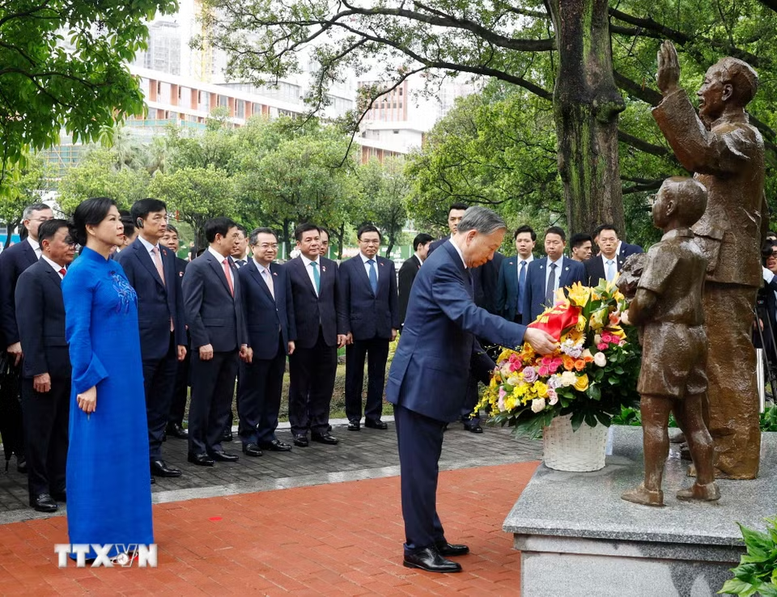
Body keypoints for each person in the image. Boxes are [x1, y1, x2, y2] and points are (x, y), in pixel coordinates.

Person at [386, 206, 556, 573]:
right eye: (492, 247)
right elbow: (469, 316)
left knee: (426, 468)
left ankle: (430, 534)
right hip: (419, 385)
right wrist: (523, 333)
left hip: (430, 384)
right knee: (419, 471)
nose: (492, 256)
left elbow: (461, 330)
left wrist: (493, 372)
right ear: (472, 235)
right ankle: (416, 547)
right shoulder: (445, 265)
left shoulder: (458, 264)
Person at [654, 41, 767, 479]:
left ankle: (736, 456)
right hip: (715, 262)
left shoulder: (740, 136)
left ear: (727, 93)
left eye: (705, 84)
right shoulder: (728, 134)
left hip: (728, 268)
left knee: (726, 360)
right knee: (706, 360)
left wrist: (671, 94)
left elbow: (700, 152)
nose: (700, 91)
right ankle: (713, 439)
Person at [62, 197, 153, 559]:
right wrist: (85, 381)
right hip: (98, 383)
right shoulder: (81, 272)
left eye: (121, 219)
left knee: (127, 456)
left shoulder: (115, 268)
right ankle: (94, 540)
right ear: (90, 227)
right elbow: (77, 333)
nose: (121, 225)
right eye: (113, 219)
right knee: (97, 459)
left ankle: (128, 535)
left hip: (127, 381)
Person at [620, 177, 719, 507]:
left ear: (671, 206)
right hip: (695, 337)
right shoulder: (697, 250)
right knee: (693, 416)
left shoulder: (664, 249)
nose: (656, 205)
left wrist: (628, 317)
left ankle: (651, 489)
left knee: (654, 416)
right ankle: (706, 483)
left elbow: (646, 300)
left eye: (659, 198)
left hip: (667, 338)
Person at [117, 199, 187, 481]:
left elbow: (177, 302)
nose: (163, 223)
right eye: (157, 218)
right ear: (140, 222)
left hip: (169, 343)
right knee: (139, 405)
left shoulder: (168, 256)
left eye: (165, 217)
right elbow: (125, 306)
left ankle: (154, 456)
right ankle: (135, 462)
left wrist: (180, 337)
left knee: (161, 404)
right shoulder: (128, 257)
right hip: (141, 344)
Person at [182, 217, 252, 466]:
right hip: (208, 346)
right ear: (219, 237)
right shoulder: (199, 266)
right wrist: (202, 341)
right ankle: (197, 448)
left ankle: (214, 444)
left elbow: (238, 308)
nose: (238, 240)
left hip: (231, 344)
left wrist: (243, 340)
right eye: (234, 235)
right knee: (203, 399)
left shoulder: (233, 266)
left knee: (223, 399)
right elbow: (191, 308)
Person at [15, 219, 74, 512]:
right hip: (44, 371)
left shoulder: (71, 275)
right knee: (39, 434)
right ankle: (38, 491)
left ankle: (58, 483)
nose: (73, 246)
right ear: (47, 244)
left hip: (70, 368)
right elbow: (29, 328)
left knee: (63, 430)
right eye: (67, 241)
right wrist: (38, 370)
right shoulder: (33, 276)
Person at [0, 202, 53, 472]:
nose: (47, 223)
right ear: (27, 223)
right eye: (42, 219)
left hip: (52, 340)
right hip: (21, 341)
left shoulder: (59, 255)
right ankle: (22, 450)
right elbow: (5, 301)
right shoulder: (12, 256)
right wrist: (12, 339)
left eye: (51, 219)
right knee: (19, 398)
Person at [237, 228, 296, 456]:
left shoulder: (281, 272)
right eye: (265, 245)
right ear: (252, 247)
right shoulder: (243, 274)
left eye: (273, 245)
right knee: (251, 392)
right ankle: (249, 437)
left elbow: (287, 306)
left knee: (273, 392)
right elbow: (240, 311)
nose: (270, 249)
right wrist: (245, 343)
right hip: (254, 345)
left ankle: (267, 435)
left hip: (279, 342)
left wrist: (290, 336)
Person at [286, 224, 345, 447]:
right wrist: (290, 335)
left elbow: (339, 301)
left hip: (328, 335)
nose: (314, 244)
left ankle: (320, 426)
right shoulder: (289, 269)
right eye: (309, 240)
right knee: (300, 384)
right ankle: (299, 428)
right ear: (298, 244)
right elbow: (288, 305)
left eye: (317, 239)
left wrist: (341, 329)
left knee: (325, 383)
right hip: (302, 336)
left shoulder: (331, 267)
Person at [338, 224, 399, 431]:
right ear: (359, 242)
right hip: (356, 329)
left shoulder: (387, 265)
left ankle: (373, 415)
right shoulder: (347, 267)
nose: (371, 245)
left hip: (381, 328)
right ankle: (353, 417)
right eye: (367, 241)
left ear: (379, 243)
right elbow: (343, 301)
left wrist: (393, 325)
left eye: (375, 241)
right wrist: (345, 328)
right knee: (354, 374)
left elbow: (393, 297)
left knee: (377, 374)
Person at [522, 226, 586, 324]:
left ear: (564, 244)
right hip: (538, 323)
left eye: (555, 243)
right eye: (548, 242)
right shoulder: (533, 266)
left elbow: (582, 299)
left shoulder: (576, 267)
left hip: (565, 323)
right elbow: (527, 299)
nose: (551, 246)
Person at [161, 224, 190, 439]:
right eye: (166, 237)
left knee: (179, 380)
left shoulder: (185, 266)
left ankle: (175, 421)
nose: (171, 241)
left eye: (174, 238)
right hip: (159, 332)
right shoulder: (155, 264)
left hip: (181, 332)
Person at [496, 225, 536, 323]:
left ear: (533, 243)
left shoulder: (539, 265)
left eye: (526, 241)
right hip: (511, 318)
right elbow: (501, 293)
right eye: (519, 241)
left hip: (534, 319)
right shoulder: (506, 264)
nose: (522, 244)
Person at [398, 233, 433, 330]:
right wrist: (404, 321)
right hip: (410, 321)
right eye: (429, 247)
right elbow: (405, 295)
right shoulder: (409, 265)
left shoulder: (422, 265)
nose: (431, 251)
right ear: (420, 246)